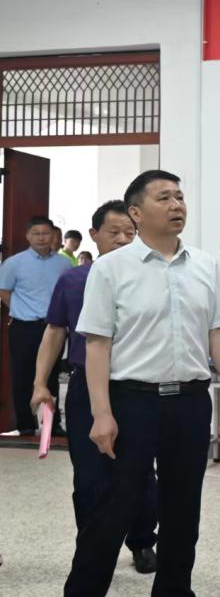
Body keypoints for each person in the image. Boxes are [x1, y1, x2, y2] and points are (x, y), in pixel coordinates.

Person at [46, 170, 220, 597]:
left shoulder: (204, 265)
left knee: (183, 512)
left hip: (190, 402)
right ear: (137, 212)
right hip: (130, 401)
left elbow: (218, 332)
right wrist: (101, 413)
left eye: (180, 196)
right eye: (164, 197)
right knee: (110, 511)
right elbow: (97, 343)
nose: (177, 204)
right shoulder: (111, 269)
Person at [32, 201, 157, 575]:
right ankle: (91, 548)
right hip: (86, 387)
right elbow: (55, 331)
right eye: (113, 232)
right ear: (94, 235)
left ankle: (142, 541)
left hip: (137, 387)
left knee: (140, 472)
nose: (122, 239)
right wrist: (40, 383)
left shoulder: (151, 278)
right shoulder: (73, 280)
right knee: (88, 475)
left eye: (130, 233)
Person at [0, 217, 71, 435]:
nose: (41, 238)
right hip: (24, 328)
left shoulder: (64, 264)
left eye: (45, 233)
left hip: (54, 327)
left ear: (54, 236)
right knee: (22, 376)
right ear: (28, 236)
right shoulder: (14, 263)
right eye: (36, 234)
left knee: (52, 376)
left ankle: (51, 425)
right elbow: (4, 291)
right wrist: (21, 309)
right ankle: (25, 425)